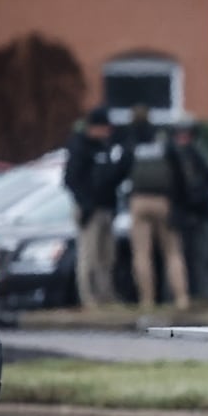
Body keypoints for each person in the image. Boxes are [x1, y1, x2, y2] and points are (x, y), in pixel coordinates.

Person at [123, 104, 190, 311]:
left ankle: (147, 300)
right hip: (163, 201)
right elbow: (179, 172)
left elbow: (121, 170)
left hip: (139, 200)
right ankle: (181, 298)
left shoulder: (131, 141)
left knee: (142, 253)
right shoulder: (163, 140)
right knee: (172, 252)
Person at [63, 106, 128, 309]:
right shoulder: (80, 147)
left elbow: (110, 178)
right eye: (105, 128)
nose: (108, 132)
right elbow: (71, 179)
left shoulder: (105, 147)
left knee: (106, 256)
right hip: (89, 209)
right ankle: (88, 298)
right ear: (95, 127)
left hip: (106, 207)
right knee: (88, 255)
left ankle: (106, 295)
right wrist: (85, 203)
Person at [168, 119, 208, 302]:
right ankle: (183, 296)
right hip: (184, 215)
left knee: (201, 259)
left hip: (198, 214)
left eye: (186, 134)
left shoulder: (196, 155)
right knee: (181, 258)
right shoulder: (175, 155)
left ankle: (204, 296)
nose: (183, 138)